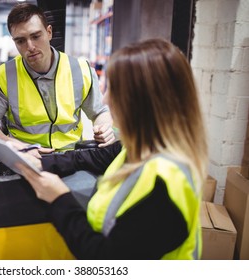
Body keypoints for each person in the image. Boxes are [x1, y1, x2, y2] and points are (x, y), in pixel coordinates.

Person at [17, 38, 208, 259]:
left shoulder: (164, 184)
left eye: (113, 90)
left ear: (142, 102)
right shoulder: (141, 148)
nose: (106, 99)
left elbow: (106, 259)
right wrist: (42, 162)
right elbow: (95, 157)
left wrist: (59, 199)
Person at [0, 3, 115, 156]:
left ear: (49, 32)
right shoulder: (4, 76)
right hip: (26, 157)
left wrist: (104, 128)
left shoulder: (81, 70)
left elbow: (100, 112)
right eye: (21, 41)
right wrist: (13, 144)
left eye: (35, 36)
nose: (30, 46)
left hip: (72, 157)